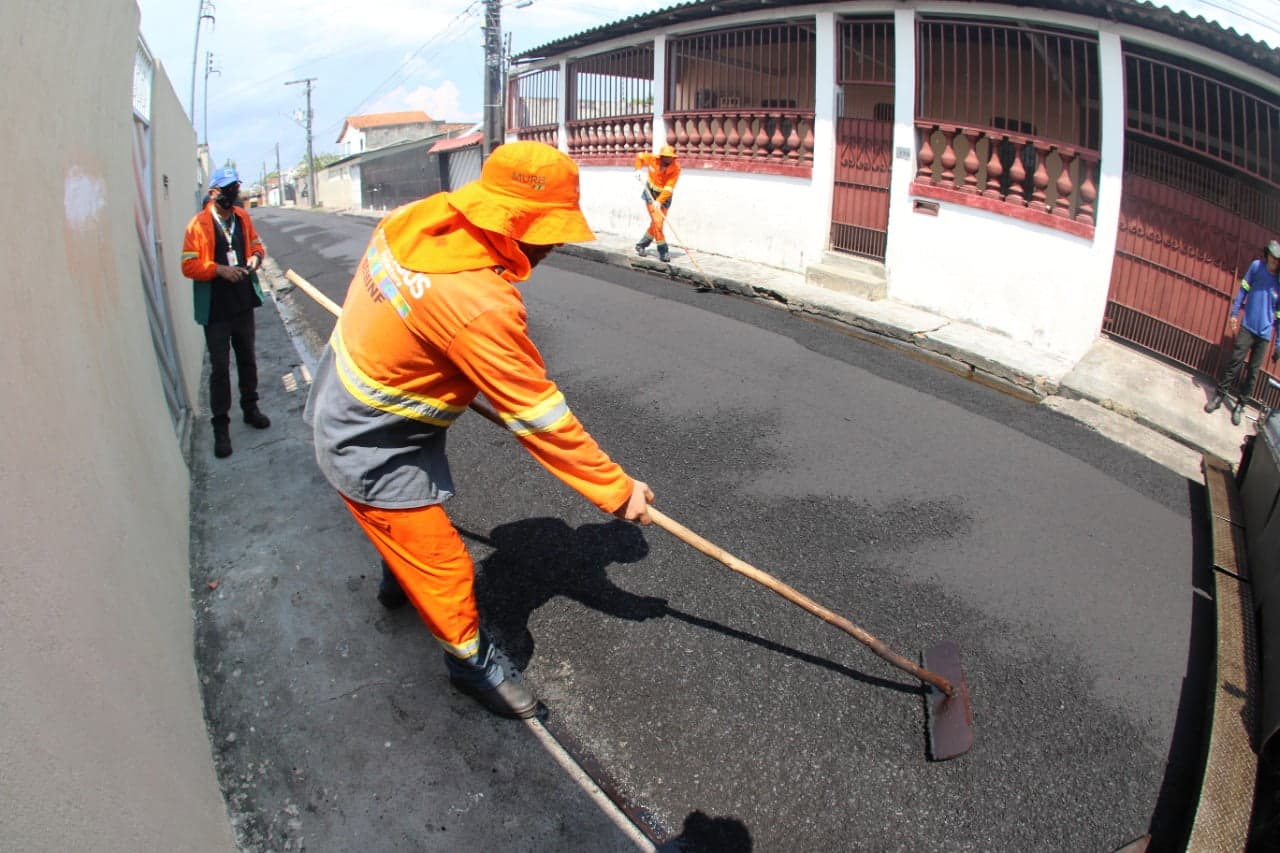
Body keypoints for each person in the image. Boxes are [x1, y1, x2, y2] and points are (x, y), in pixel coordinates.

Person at [304, 141, 655, 719]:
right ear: (514, 224)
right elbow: (538, 416)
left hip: (350, 390)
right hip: (366, 440)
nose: (557, 243)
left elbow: (410, 312)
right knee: (446, 566)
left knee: (406, 534)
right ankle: (469, 665)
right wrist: (615, 491)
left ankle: (398, 574)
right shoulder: (479, 304)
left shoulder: (417, 219)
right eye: (549, 230)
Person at [182, 167, 272, 458]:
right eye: (227, 189)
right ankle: (221, 427)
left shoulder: (242, 217)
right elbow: (188, 265)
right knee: (220, 369)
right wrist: (219, 270)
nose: (232, 194)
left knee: (247, 359)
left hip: (242, 303)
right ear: (212, 193)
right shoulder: (198, 225)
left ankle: (251, 408)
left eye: (235, 187)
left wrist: (256, 258)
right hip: (217, 310)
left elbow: (257, 244)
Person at [1205, 239, 1280, 426]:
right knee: (1234, 362)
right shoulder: (1256, 267)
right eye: (1272, 257)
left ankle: (1240, 405)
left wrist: (1278, 344)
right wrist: (1234, 313)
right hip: (1247, 326)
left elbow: (1279, 316)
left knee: (1253, 373)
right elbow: (1243, 291)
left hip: (1263, 335)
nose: (1274, 261)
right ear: (1267, 255)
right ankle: (1219, 396)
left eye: (1278, 260)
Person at [633, 144, 681, 263]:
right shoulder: (653, 159)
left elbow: (669, 188)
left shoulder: (676, 169)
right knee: (658, 223)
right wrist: (638, 169)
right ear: (661, 156)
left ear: (673, 158)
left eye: (670, 157)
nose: (667, 159)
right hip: (650, 193)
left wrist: (659, 201)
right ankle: (663, 251)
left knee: (656, 223)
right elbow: (639, 156)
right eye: (665, 156)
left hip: (664, 197)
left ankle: (641, 245)